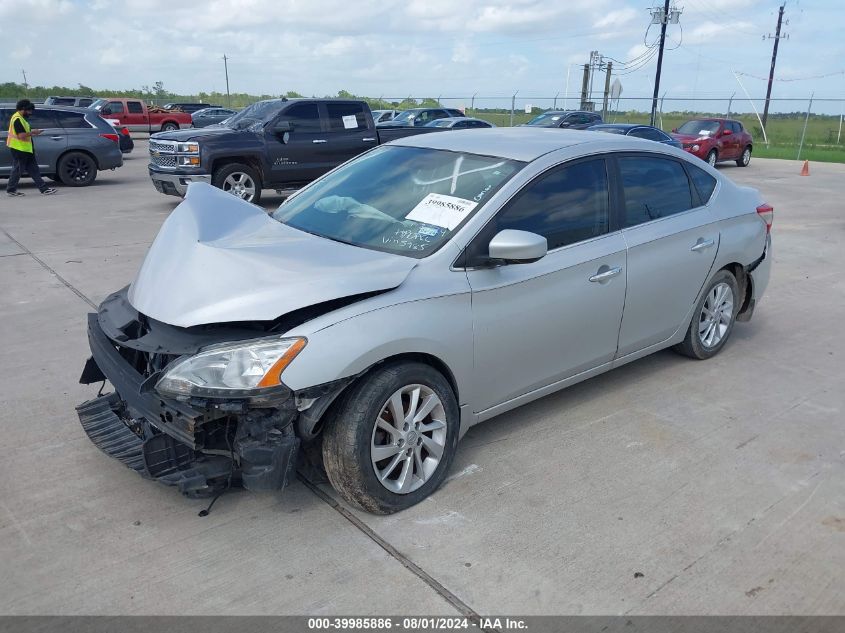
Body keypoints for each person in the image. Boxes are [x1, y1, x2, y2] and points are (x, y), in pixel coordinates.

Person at [6, 99, 57, 196]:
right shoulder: (17, 119)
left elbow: (23, 133)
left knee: (34, 170)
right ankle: (11, 190)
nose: (30, 112)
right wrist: (34, 132)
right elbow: (21, 135)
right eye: (29, 110)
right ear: (23, 109)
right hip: (19, 150)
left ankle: (44, 189)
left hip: (25, 149)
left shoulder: (20, 118)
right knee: (17, 170)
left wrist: (31, 133)